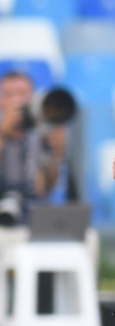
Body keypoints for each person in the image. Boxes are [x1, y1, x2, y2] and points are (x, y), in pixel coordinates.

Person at [0, 70, 67, 227]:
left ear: (32, 97)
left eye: (22, 94)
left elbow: (44, 189)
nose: (16, 100)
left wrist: (57, 152)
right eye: (8, 94)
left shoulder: (40, 135)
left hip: (33, 219)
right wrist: (3, 133)